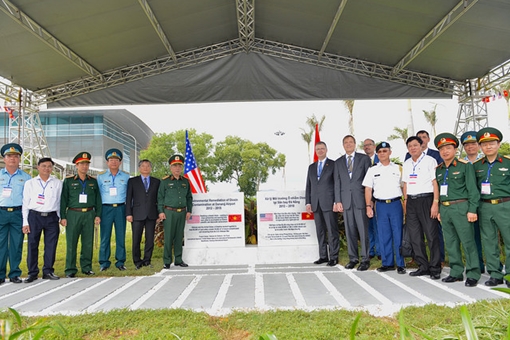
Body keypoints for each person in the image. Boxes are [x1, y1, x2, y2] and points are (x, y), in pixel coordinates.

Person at [434, 133, 480, 287]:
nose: (445, 151)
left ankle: (473, 273)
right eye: (442, 149)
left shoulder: (465, 166)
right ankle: (456, 272)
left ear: (455, 149)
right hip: (445, 209)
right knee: (451, 242)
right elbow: (440, 191)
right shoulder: (439, 169)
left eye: (448, 148)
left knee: (468, 242)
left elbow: (473, 190)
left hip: (461, 207)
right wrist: (440, 210)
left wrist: (472, 209)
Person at [473, 127, 510, 287]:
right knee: (489, 241)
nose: (488, 147)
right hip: (485, 206)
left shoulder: (508, 163)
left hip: (505, 205)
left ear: (498, 144)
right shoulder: (476, 166)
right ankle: (495, 273)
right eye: (484, 144)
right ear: (480, 147)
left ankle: (508, 274)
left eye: (492, 143)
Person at [362, 142, 406, 274]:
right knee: (383, 234)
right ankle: (387, 263)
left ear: (390, 153)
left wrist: (406, 204)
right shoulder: (373, 170)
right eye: (380, 151)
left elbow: (404, 187)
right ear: (377, 154)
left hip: (395, 204)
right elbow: (368, 189)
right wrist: (368, 206)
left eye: (385, 151)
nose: (382, 153)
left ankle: (400, 263)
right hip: (380, 205)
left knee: (398, 234)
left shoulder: (398, 168)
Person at [402, 136, 441, 280]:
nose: (413, 148)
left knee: (431, 235)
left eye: (415, 145)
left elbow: (435, 182)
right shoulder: (406, 163)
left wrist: (435, 203)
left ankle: (435, 267)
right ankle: (423, 266)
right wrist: (406, 201)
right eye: (410, 146)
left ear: (421, 146)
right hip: (411, 201)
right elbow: (405, 184)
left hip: (427, 200)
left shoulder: (430, 161)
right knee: (415, 236)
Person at [60, 152, 102, 277]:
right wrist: (63, 216)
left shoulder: (93, 182)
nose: (84, 166)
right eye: (82, 164)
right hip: (73, 214)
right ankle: (70, 269)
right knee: (71, 242)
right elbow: (63, 200)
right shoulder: (68, 181)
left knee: (88, 242)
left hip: (89, 213)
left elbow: (98, 200)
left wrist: (98, 215)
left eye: (87, 164)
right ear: (76, 165)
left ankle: (86, 267)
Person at [334, 135, 371, 271]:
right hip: (346, 201)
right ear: (343, 145)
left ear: (355, 144)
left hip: (361, 199)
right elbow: (337, 183)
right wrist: (338, 201)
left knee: (363, 231)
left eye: (351, 142)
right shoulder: (338, 162)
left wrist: (370, 201)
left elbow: (369, 181)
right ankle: (353, 258)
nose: (348, 144)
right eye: (346, 142)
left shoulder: (364, 159)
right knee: (350, 231)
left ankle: (365, 259)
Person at [22, 158, 62, 282]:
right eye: (44, 166)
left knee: (51, 245)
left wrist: (60, 218)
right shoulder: (30, 183)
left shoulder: (57, 183)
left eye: (49, 166)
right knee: (33, 244)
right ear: (38, 167)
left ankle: (48, 271)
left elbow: (60, 202)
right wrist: (25, 222)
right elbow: (25, 203)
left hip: (51, 217)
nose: (46, 169)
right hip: (35, 216)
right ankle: (32, 272)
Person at [0, 143, 31, 285]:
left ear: (19, 159)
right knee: (1, 244)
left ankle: (14, 273)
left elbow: (28, 199)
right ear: (4, 159)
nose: (12, 159)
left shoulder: (26, 177)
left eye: (15, 156)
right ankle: (0, 274)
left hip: (18, 213)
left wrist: (26, 219)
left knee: (16, 244)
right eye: (9, 156)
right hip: (1, 212)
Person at [305, 141, 339, 266]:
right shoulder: (311, 167)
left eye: (322, 148)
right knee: (320, 231)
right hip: (315, 203)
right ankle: (323, 256)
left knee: (332, 230)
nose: (320, 151)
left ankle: (334, 257)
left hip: (329, 203)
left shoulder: (333, 165)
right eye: (318, 149)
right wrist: (308, 202)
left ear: (326, 150)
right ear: (315, 151)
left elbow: (336, 184)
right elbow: (309, 186)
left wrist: (336, 201)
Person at [158, 154, 193, 269]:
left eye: (179, 166)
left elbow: (189, 197)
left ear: (182, 168)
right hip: (169, 212)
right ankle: (167, 261)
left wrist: (189, 210)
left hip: (182, 212)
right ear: (171, 168)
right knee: (168, 237)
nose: (177, 168)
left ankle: (178, 259)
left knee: (179, 237)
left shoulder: (185, 182)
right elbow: (160, 197)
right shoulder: (165, 181)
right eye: (175, 166)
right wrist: (161, 211)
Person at [97, 149, 130, 271]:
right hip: (106, 209)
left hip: (121, 208)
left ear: (120, 162)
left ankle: (120, 262)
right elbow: (98, 195)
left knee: (120, 236)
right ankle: (104, 262)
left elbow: (129, 194)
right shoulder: (100, 177)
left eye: (116, 160)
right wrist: (98, 213)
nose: (114, 162)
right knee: (105, 237)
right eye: (111, 160)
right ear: (107, 162)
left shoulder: (126, 176)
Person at [126, 159, 160, 269]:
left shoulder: (156, 181)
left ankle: (147, 260)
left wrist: (159, 213)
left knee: (150, 239)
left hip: (151, 214)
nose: (145, 168)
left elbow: (159, 199)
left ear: (151, 168)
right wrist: (128, 213)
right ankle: (137, 261)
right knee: (136, 238)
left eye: (148, 166)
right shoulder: (133, 181)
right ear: (139, 168)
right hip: (137, 214)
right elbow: (128, 198)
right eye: (143, 166)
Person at [460, 131, 486, 273]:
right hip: (470, 206)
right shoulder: (461, 164)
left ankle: (497, 266)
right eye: (467, 145)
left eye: (473, 144)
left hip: (487, 203)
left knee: (490, 237)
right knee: (473, 236)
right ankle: (479, 265)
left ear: (479, 145)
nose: (470, 147)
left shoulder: (486, 160)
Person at [363, 138, 380, 260]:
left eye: (369, 145)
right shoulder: (361, 160)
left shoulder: (381, 159)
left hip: (379, 198)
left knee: (378, 226)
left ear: (374, 146)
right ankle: (371, 250)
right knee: (368, 226)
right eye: (364, 146)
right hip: (365, 198)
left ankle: (380, 251)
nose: (367, 147)